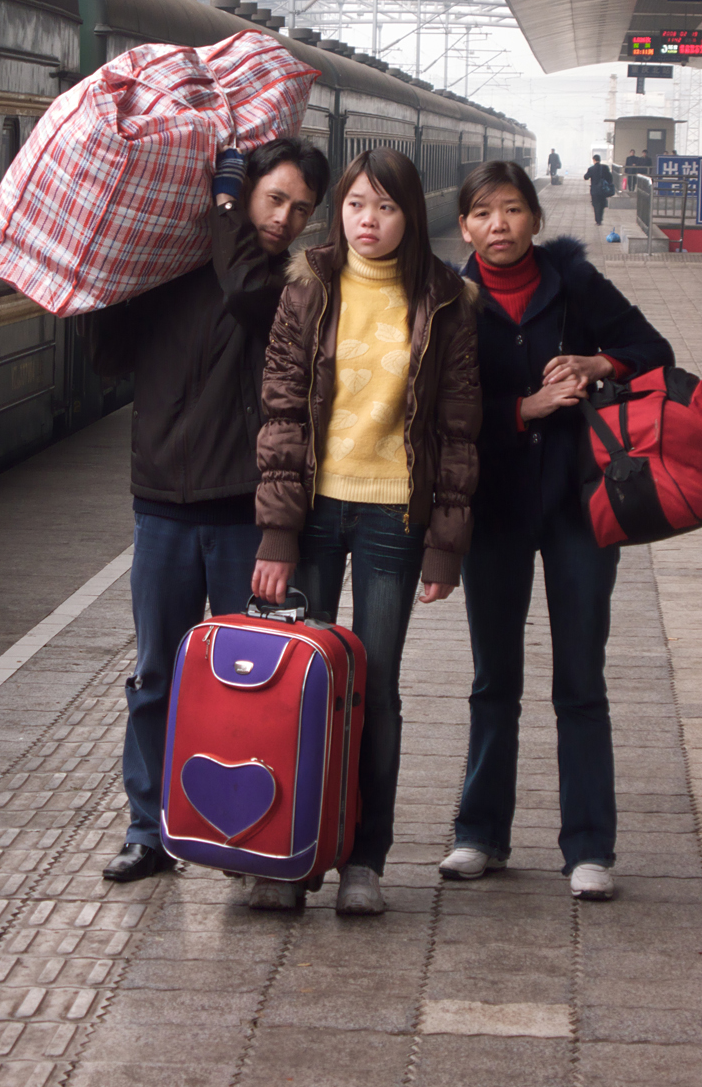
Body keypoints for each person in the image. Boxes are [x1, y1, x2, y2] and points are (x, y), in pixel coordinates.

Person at [82, 136, 330, 883]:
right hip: (160, 504)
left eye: (302, 209)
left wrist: (226, 215)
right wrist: (108, 281)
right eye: (274, 198)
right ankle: (146, 829)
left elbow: (246, 293)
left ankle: (247, 838)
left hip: (242, 514)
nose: (286, 218)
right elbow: (107, 362)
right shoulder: (168, 267)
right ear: (247, 191)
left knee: (250, 687)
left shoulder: (288, 284)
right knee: (156, 675)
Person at [251, 148, 481, 915]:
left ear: (409, 214)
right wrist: (277, 534)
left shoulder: (447, 299)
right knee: (299, 693)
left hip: (394, 516)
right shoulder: (307, 287)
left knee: (374, 691)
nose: (368, 221)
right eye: (355, 205)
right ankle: (289, 858)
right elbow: (282, 410)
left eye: (384, 207)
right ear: (337, 211)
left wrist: (446, 541)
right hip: (313, 514)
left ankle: (363, 861)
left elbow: (457, 428)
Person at [439, 162, 673, 900]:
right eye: (482, 213)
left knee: (579, 677)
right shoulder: (450, 298)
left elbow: (654, 354)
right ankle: (479, 834)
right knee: (493, 679)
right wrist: (523, 410)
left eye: (511, 210)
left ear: (536, 218)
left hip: (579, 504)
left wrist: (599, 360)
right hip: (496, 506)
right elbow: (438, 404)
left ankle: (589, 848)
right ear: (466, 225)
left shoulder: (574, 282)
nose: (498, 225)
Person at [583, 153, 612, 225]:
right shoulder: (605, 168)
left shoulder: (591, 169)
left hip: (594, 190)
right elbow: (610, 178)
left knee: (595, 204)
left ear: (594, 160)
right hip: (603, 189)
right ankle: (600, 219)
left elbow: (586, 177)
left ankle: (597, 220)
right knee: (602, 204)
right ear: (600, 160)